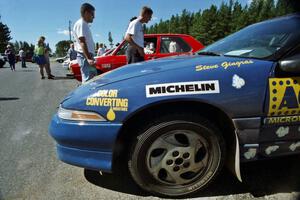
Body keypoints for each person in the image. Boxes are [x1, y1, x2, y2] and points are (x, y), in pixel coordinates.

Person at [73, 3, 97, 83]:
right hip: (85, 57)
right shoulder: (81, 23)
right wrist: (89, 58)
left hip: (88, 56)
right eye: (92, 14)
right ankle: (86, 95)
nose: (94, 16)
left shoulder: (84, 24)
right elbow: (82, 42)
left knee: (93, 77)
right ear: (86, 13)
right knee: (88, 80)